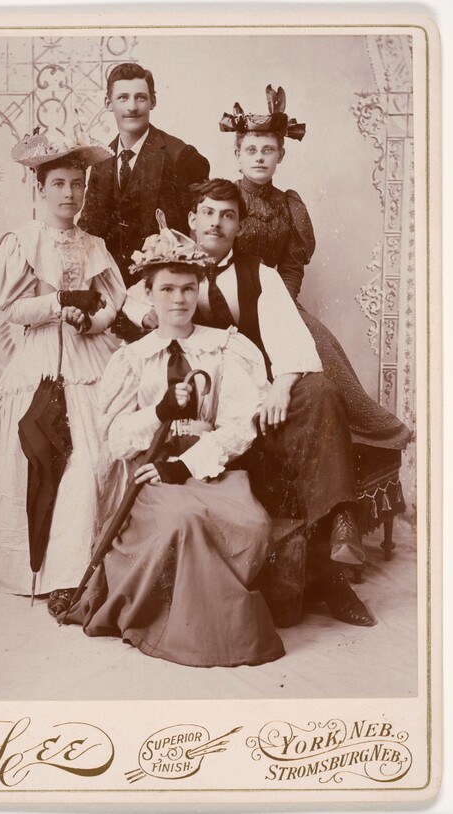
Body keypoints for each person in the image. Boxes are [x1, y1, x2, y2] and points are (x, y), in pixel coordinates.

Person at [123, 179, 387, 627]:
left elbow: (292, 339)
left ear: (239, 224)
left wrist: (282, 387)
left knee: (320, 390)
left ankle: (334, 554)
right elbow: (133, 299)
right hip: (199, 394)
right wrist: (147, 313)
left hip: (254, 388)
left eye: (228, 215)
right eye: (208, 212)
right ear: (192, 218)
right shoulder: (170, 260)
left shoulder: (259, 274)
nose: (216, 222)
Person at [58, 222, 303, 667]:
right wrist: (160, 412)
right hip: (151, 474)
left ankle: (213, 621)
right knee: (183, 519)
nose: (179, 300)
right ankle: (198, 633)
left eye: (188, 289)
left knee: (253, 527)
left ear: (200, 290)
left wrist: (187, 464)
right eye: (167, 289)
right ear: (148, 294)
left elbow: (240, 426)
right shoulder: (132, 359)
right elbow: (114, 437)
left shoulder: (226, 348)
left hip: (210, 470)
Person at [0, 129, 126, 600]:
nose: (70, 194)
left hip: (88, 355)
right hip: (40, 355)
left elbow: (110, 303)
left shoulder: (93, 243)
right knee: (37, 456)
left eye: (78, 184)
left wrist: (91, 322)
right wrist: (58, 305)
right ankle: (41, 569)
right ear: (39, 188)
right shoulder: (23, 240)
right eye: (59, 183)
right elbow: (13, 306)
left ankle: (85, 566)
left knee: (96, 455)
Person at [222, 84, 411, 456]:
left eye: (268, 151)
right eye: (251, 150)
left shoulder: (290, 206)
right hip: (227, 301)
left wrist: (281, 305)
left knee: (325, 348)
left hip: (277, 301)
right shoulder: (224, 200)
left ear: (281, 155)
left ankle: (374, 434)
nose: (259, 158)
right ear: (237, 154)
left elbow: (291, 267)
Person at [78, 62, 210, 286]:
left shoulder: (180, 156)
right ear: (108, 104)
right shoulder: (100, 161)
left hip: (164, 282)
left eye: (140, 97)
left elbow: (199, 229)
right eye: (123, 98)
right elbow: (90, 226)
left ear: (153, 101)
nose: (132, 107)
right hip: (111, 284)